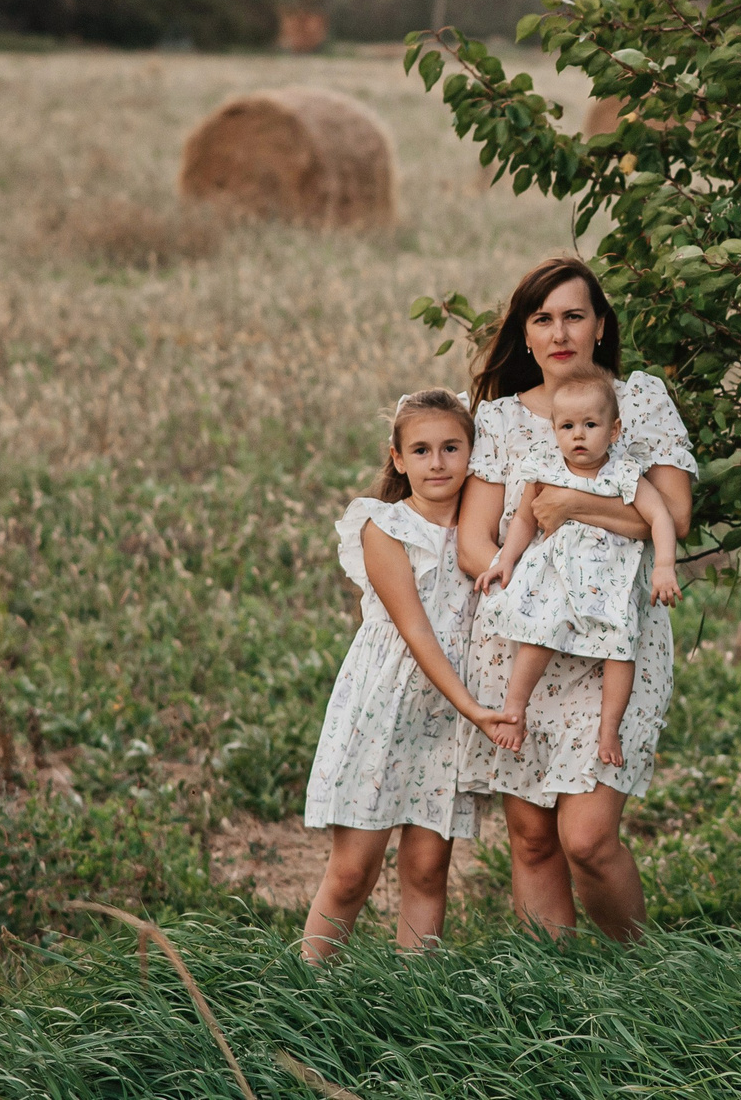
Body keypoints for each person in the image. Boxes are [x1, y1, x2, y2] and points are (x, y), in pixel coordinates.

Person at [457, 257, 696, 941]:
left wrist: (569, 504)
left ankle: (643, 973)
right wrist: (529, 581)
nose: (559, 331)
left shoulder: (639, 401)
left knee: (587, 838)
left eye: (574, 314)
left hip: (616, 637)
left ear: (599, 325)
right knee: (532, 839)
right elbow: (476, 540)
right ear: (525, 336)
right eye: (542, 318)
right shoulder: (501, 420)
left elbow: (670, 519)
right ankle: (554, 1006)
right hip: (524, 638)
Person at [299, 389, 503, 957]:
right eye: (421, 450)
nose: (437, 463)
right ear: (398, 458)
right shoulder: (381, 525)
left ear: (471, 454)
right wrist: (476, 708)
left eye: (450, 448)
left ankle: (416, 1004)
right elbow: (414, 631)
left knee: (426, 869)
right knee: (351, 872)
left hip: (450, 717)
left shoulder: (482, 531)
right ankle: (306, 992)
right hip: (384, 706)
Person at [473, 374, 682, 766]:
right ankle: (514, 713)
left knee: (621, 649)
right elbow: (524, 521)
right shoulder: (546, 468)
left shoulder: (624, 473)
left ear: (614, 430)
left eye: (590, 425)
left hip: (611, 583)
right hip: (556, 578)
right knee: (539, 633)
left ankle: (609, 732)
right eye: (567, 426)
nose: (578, 436)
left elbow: (661, 518)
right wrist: (505, 560)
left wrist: (665, 567)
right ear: (554, 431)